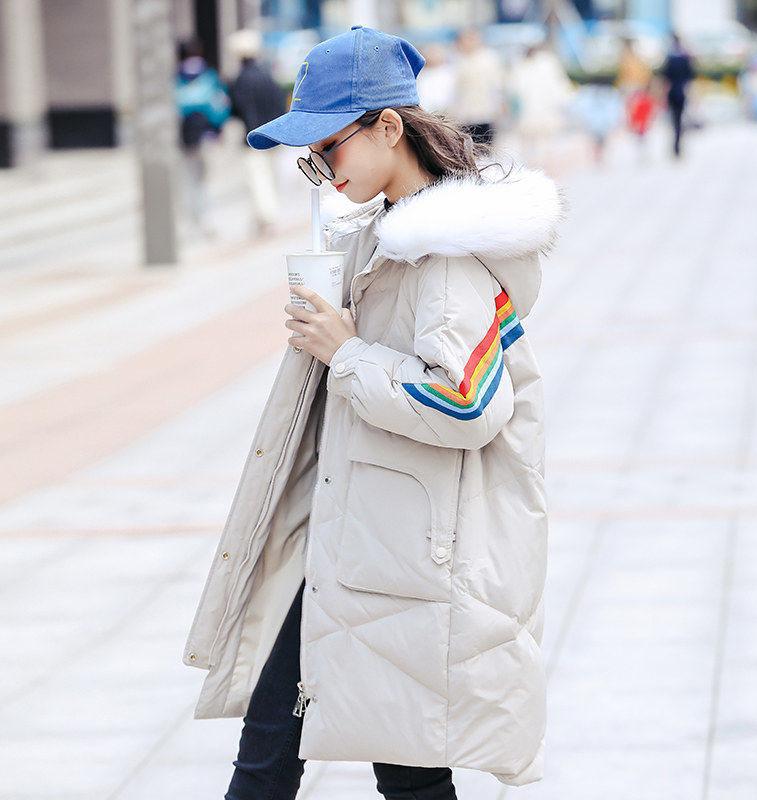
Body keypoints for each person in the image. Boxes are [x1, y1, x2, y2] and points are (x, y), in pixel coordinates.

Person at [181, 24, 564, 800]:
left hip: (400, 560)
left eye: (329, 150)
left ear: (389, 127)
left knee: (367, 770)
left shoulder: (444, 257)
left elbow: (467, 402)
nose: (322, 173)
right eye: (311, 160)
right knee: (287, 753)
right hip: (357, 543)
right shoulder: (385, 235)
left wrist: (346, 351)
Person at [227, 29, 286, 237]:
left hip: (252, 138)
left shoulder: (240, 81)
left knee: (258, 180)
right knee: (269, 177)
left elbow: (235, 109)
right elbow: (279, 104)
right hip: (272, 136)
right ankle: (262, 219)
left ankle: (267, 219)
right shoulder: (267, 76)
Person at [175, 37, 231, 233]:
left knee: (188, 179)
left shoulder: (176, 79)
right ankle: (207, 221)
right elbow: (221, 105)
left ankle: (192, 221)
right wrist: (218, 129)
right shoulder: (209, 77)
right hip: (207, 136)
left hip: (185, 137)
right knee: (205, 179)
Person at [449, 27, 505, 147]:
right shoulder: (456, 61)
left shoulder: (489, 59)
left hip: (485, 112)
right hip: (463, 115)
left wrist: (500, 105)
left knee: (485, 148)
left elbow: (497, 85)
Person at [659, 31, 696, 158]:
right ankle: (677, 144)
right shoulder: (685, 57)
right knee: (678, 119)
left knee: (674, 120)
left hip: (672, 93)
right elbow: (690, 76)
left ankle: (676, 144)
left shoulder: (670, 58)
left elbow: (665, 77)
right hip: (681, 92)